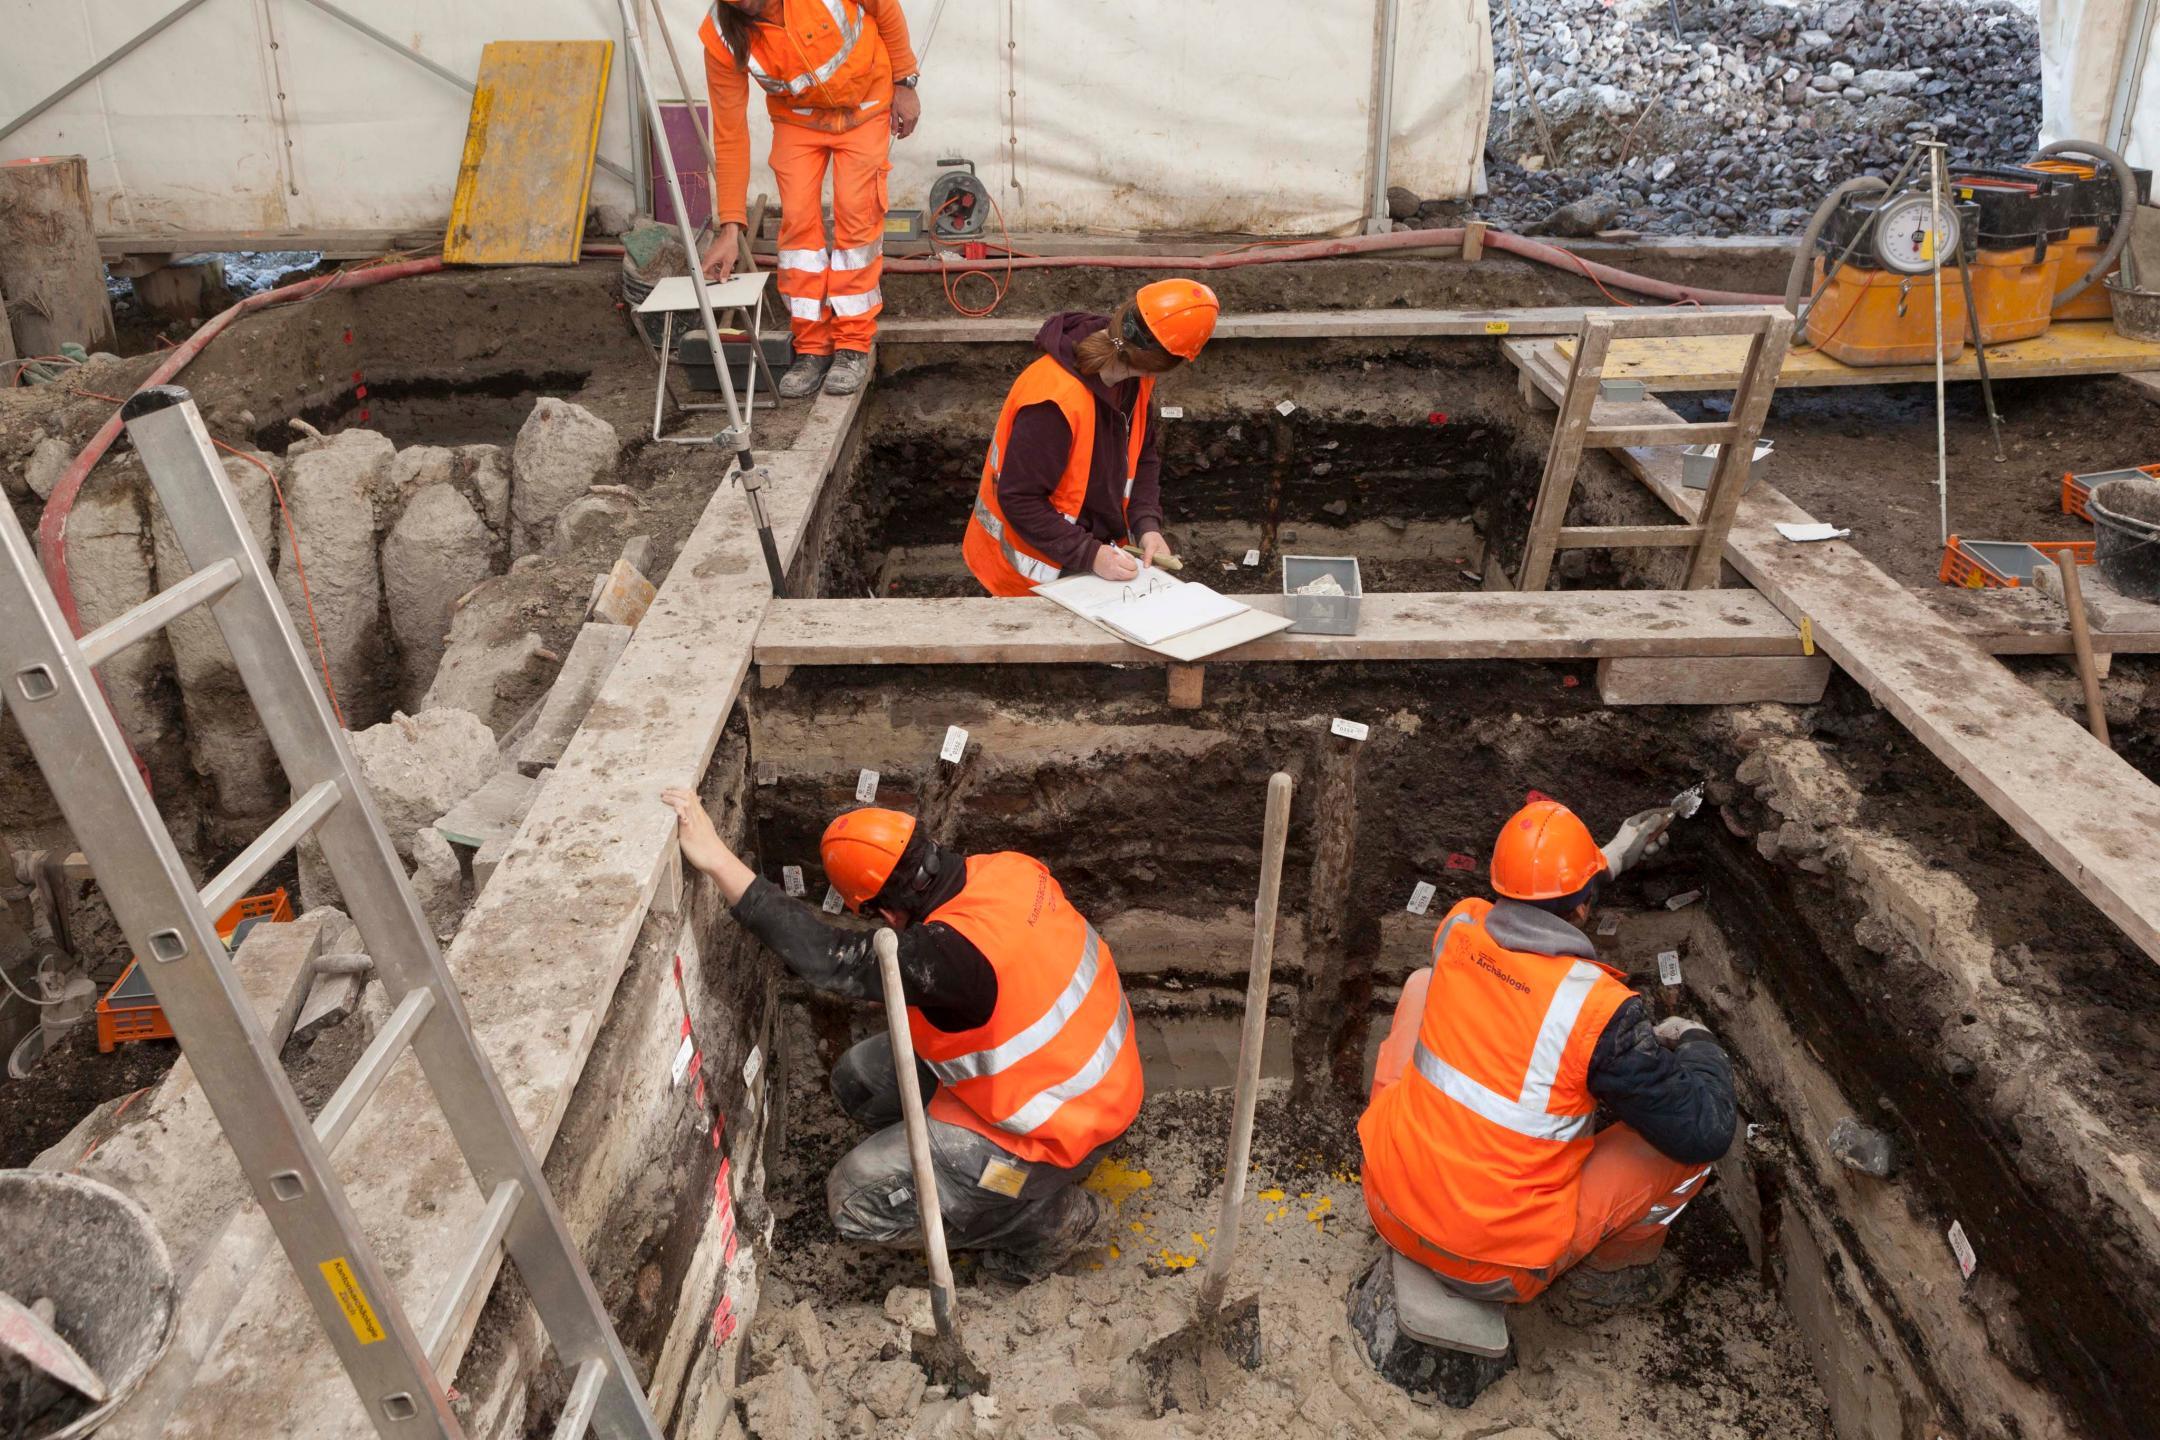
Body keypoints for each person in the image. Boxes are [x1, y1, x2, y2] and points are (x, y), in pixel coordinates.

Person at [662, 790, 1140, 1281]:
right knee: (858, 1083)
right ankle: (958, 1177)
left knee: (852, 1201)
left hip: (1061, 1130)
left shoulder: (947, 955)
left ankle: (1045, 1221)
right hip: (1086, 1076)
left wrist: (717, 858)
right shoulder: (1005, 870)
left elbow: (831, 958)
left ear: (887, 915)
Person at [1358, 798, 1737, 1310]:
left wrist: (1607, 859)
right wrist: (1700, 1046)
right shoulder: (1596, 1011)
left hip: (1387, 1202)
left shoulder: (1460, 926)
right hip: (1494, 1264)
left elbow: (1522, 921)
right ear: (1581, 909)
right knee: (1685, 1155)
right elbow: (1704, 1129)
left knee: (1424, 984)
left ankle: (1405, 1157)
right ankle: (1609, 1277)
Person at [698, 0, 921, 399]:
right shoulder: (721, 35)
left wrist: (905, 83)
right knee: (798, 227)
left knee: (857, 216)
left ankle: (852, 344)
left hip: (866, 108)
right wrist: (730, 227)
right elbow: (729, 133)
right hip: (798, 122)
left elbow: (884, 7)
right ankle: (812, 347)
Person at [963, 279, 1222, 595]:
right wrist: (1091, 554)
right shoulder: (1053, 402)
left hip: (1085, 559)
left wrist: (1147, 526)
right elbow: (1020, 500)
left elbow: (1143, 457)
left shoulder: (1134, 380)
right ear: (1161, 364)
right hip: (1028, 574)